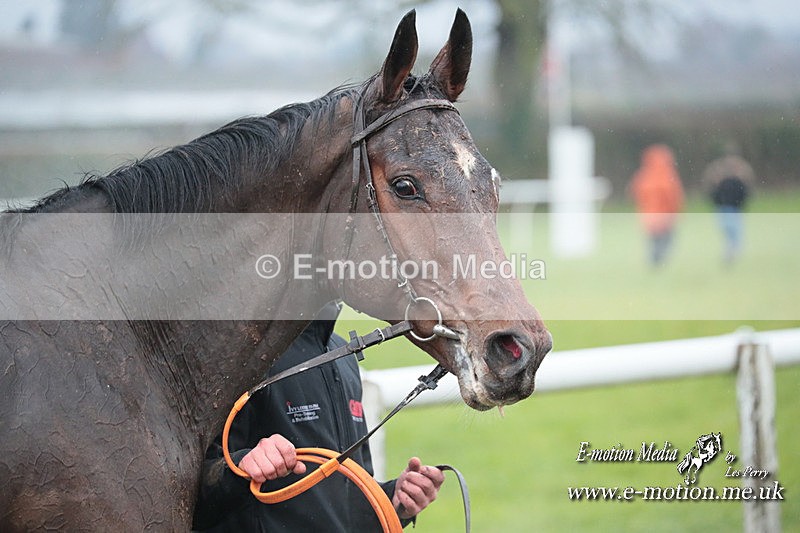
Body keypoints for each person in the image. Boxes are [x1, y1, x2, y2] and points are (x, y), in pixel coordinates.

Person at [192, 301, 444, 531]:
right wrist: (243, 465)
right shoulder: (246, 352)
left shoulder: (343, 355)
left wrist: (394, 499)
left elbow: (348, 492)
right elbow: (191, 494)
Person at [628, 144, 685, 266]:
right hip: (665, 215)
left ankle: (655, 259)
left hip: (648, 215)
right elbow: (674, 196)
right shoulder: (668, 174)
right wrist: (675, 211)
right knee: (666, 240)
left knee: (653, 240)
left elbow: (635, 192)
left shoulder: (644, 174)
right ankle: (658, 259)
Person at [702, 142, 755, 264]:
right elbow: (709, 185)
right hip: (723, 205)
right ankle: (731, 250)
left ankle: (733, 251)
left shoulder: (743, 169)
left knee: (735, 230)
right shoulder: (717, 169)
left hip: (736, 206)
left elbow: (748, 187)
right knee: (727, 229)